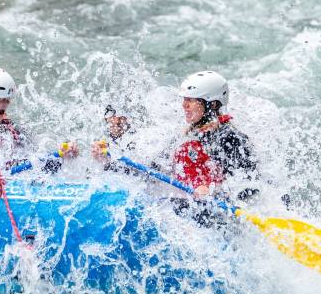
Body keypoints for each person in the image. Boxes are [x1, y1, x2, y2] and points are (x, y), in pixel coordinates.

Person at [93, 71, 259, 227]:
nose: (184, 105)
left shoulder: (232, 139)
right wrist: (109, 162)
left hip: (215, 219)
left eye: (192, 100)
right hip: (185, 210)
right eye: (184, 99)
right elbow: (150, 174)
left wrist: (213, 192)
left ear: (212, 104)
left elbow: (250, 188)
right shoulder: (184, 137)